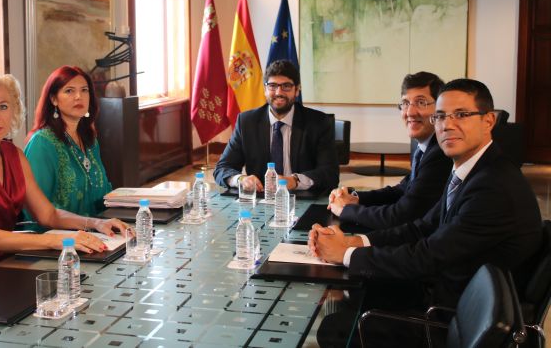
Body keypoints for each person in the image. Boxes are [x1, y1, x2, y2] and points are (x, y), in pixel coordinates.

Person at [309, 79, 542, 308]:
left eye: (461, 114)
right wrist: (354, 242)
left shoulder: (494, 186)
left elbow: (428, 256)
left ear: (488, 121)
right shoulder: (469, 168)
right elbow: (422, 227)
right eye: (440, 116)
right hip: (448, 288)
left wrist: (346, 254)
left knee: (337, 322)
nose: (447, 125)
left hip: (454, 311)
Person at [0, 74, 129, 275]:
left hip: (9, 262)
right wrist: (54, 240)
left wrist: (96, 223)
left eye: (3, 106)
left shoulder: (13, 154)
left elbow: (48, 214)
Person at [328, 72, 451, 230]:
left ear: (440, 109)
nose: (410, 112)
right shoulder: (424, 146)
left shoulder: (440, 153)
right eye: (405, 103)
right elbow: (402, 190)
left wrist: (347, 210)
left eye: (421, 102)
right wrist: (355, 197)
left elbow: (402, 215)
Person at [214, 59, 339, 192]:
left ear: (297, 90)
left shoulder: (318, 122)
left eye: (286, 86)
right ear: (265, 90)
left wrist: (295, 181)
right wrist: (241, 179)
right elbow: (222, 168)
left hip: (302, 196)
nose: (279, 92)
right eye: (272, 86)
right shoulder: (246, 122)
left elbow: (330, 174)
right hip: (261, 198)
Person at [25, 66, 111, 217]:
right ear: (53, 99)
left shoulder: (90, 139)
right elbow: (35, 209)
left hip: (98, 230)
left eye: (84, 90)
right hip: (56, 236)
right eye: (69, 91)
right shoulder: (42, 143)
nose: (79, 96)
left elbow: (105, 192)